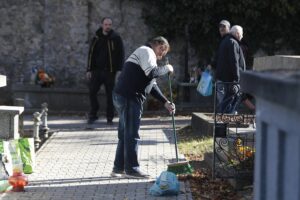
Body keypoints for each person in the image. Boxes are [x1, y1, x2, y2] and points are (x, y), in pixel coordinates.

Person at [111, 36, 175, 178]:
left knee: (125, 134)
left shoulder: (145, 55)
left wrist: (165, 102)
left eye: (164, 52)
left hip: (122, 95)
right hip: (129, 96)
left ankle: (118, 168)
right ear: (157, 44)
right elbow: (152, 73)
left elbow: (151, 85)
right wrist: (167, 68)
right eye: (162, 49)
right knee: (132, 134)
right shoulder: (147, 51)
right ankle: (132, 169)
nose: (162, 54)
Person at [86, 17, 125, 125]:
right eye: (106, 24)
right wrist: (89, 69)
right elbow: (91, 55)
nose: (108, 26)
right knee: (92, 92)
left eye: (109, 24)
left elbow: (121, 54)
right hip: (96, 71)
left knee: (110, 95)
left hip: (110, 72)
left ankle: (109, 117)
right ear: (102, 25)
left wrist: (119, 70)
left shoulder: (116, 38)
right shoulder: (96, 38)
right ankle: (93, 114)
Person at [215, 25, 246, 113]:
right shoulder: (233, 42)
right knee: (233, 96)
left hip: (225, 76)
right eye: (241, 34)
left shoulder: (226, 41)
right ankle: (227, 116)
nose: (242, 36)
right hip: (231, 78)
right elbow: (234, 62)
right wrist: (237, 79)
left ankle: (226, 115)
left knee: (229, 97)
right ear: (237, 33)